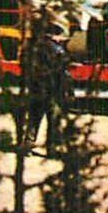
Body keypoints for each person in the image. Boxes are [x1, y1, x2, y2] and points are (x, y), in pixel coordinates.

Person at [23, 20, 73, 157]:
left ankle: (28, 146)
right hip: (53, 89)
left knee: (34, 119)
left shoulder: (30, 47)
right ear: (54, 36)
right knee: (53, 120)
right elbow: (64, 73)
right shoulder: (59, 51)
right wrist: (70, 91)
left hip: (36, 88)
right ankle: (51, 149)